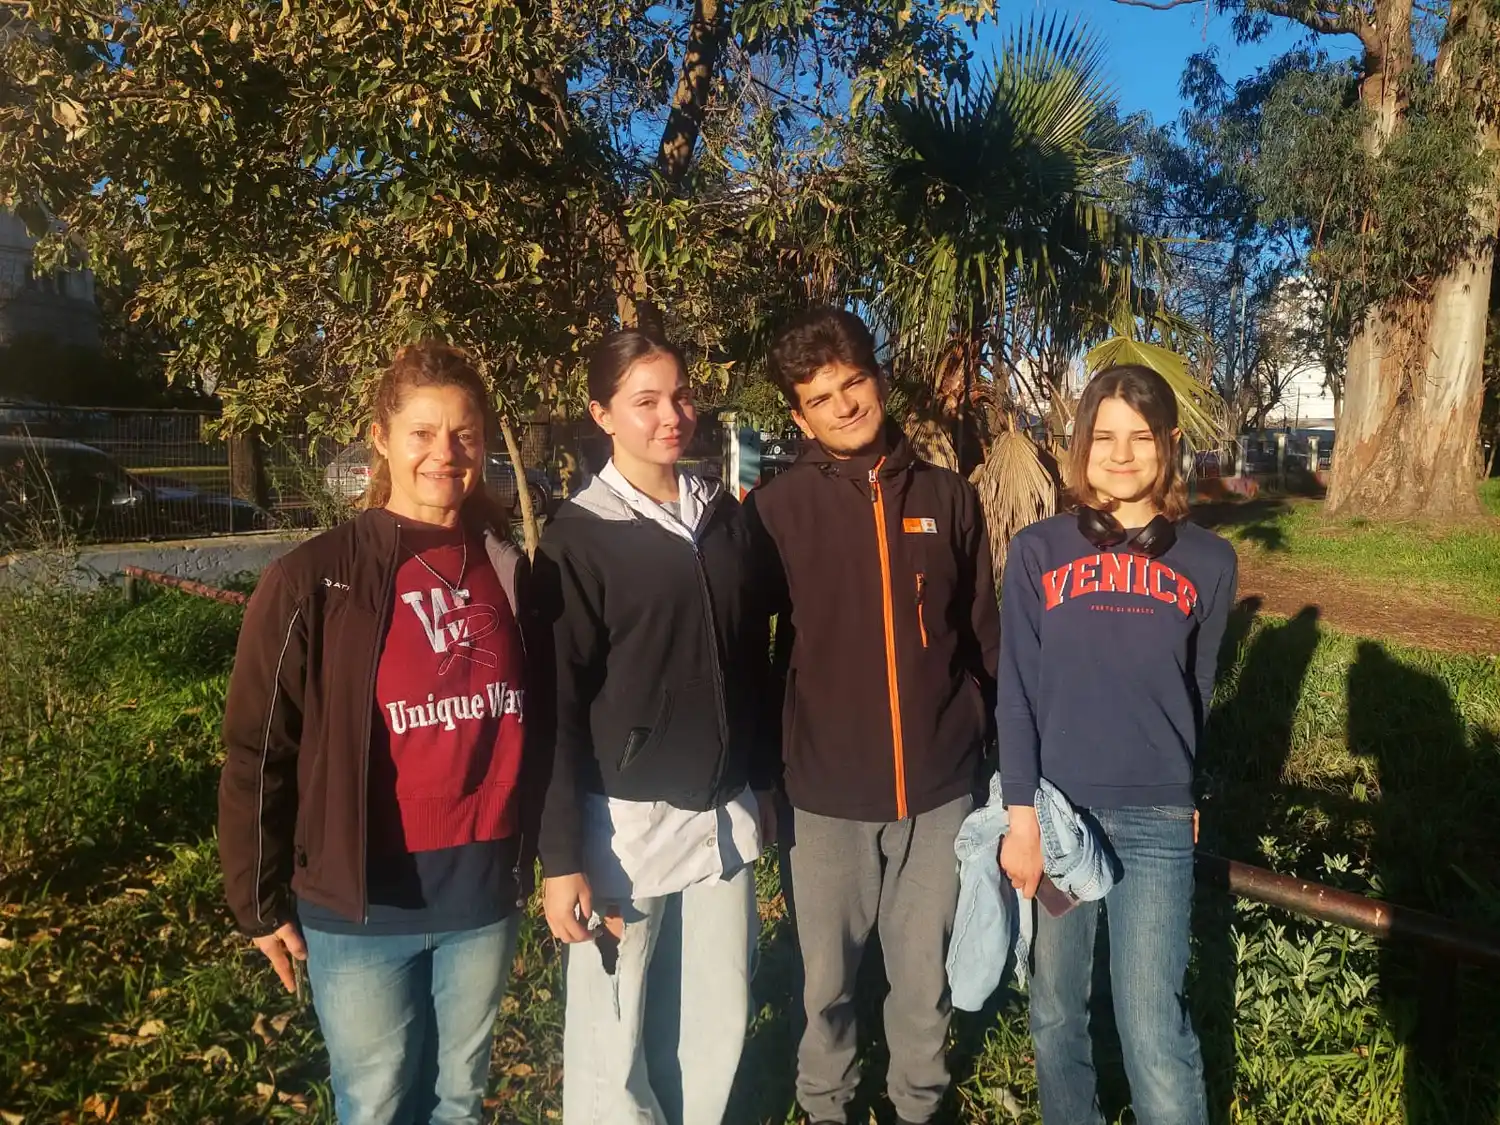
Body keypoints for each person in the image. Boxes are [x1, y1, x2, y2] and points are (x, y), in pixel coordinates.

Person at [218, 341, 543, 1125]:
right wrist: (257, 902)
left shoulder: (511, 567)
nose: (445, 453)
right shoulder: (314, 577)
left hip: (478, 890)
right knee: (374, 1102)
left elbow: (547, 720)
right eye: (423, 432)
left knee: (459, 1099)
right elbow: (259, 746)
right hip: (363, 900)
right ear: (382, 437)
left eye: (464, 434)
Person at [746, 307, 999, 1125]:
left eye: (854, 382)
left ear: (878, 380)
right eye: (822, 397)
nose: (845, 405)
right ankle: (826, 1106)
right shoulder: (777, 511)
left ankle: (919, 1104)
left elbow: (983, 636)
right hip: (825, 791)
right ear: (800, 415)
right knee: (828, 980)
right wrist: (766, 772)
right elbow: (756, 651)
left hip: (939, 782)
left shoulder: (950, 497)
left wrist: (994, 754)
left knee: (922, 974)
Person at [534, 329, 776, 1125]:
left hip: (726, 816)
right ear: (602, 413)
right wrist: (562, 855)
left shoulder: (725, 516)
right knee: (615, 1026)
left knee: (716, 1013)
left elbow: (754, 657)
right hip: (626, 828)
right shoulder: (580, 535)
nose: (671, 415)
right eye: (645, 401)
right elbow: (558, 704)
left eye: (680, 395)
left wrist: (762, 778)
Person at [996, 364, 1237, 1125]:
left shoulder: (1211, 561)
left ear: (1169, 446)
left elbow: (1197, 690)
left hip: (1157, 821)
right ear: (1080, 446)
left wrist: (1183, 792)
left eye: (1140, 437)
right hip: (1059, 820)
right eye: (1104, 436)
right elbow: (1016, 693)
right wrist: (1021, 816)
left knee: (1152, 1024)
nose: (1122, 453)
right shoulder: (1037, 551)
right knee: (1057, 1012)